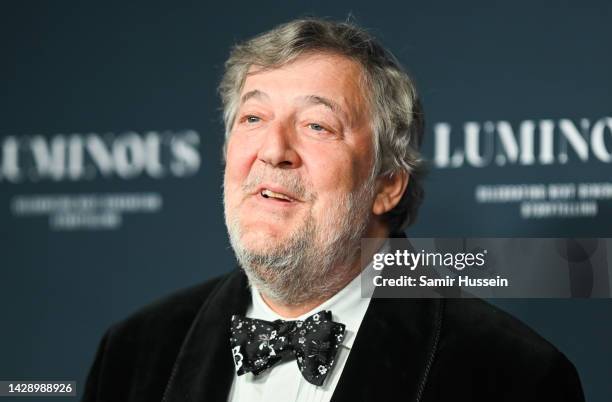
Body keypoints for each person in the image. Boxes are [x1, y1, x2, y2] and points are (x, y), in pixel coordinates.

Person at [82, 18, 584, 402]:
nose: (273, 149)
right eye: (253, 117)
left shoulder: (513, 376)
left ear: (387, 184)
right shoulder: (132, 354)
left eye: (317, 126)